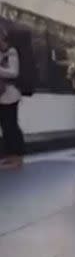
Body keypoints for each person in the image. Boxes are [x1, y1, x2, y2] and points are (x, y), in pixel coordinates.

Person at [0, 28, 25, 169]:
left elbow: (14, 73)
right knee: (5, 126)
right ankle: (9, 156)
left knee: (11, 125)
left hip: (11, 95)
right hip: (1, 95)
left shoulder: (12, 52)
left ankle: (17, 156)